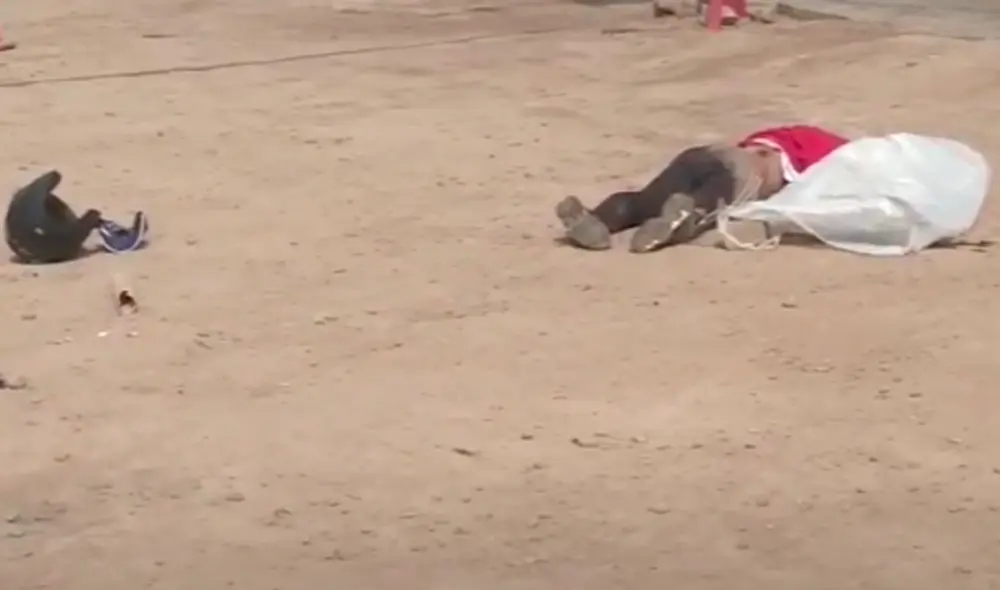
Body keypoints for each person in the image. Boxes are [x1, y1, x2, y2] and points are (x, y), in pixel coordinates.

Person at [555, 125, 849, 253]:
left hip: (707, 153)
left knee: (645, 202)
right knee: (709, 200)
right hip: (749, 171)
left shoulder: (787, 135)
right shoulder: (838, 156)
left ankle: (596, 220)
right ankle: (686, 215)